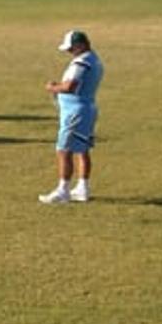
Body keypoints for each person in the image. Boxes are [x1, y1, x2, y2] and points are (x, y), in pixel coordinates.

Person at [40, 29, 103, 205]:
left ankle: (63, 190)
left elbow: (70, 86)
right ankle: (82, 188)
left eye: (71, 48)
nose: (69, 52)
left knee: (63, 150)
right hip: (85, 108)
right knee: (82, 149)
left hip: (75, 112)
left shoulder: (81, 63)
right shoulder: (94, 60)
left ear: (81, 46)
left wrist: (53, 88)